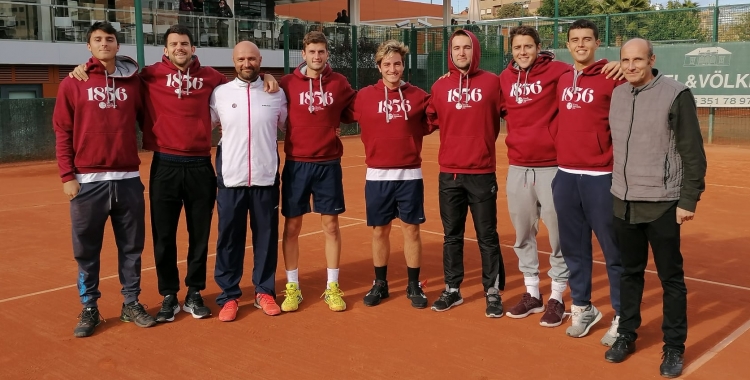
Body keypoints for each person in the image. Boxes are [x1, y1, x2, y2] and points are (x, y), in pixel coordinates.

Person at [68, 25, 279, 323]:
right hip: (164, 164)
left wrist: (266, 76)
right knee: (163, 235)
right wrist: (84, 69)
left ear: (193, 49)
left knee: (200, 234)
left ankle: (194, 291)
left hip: (199, 165)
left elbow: (244, 80)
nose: (180, 48)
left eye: (185, 43)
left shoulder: (211, 79)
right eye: (174, 44)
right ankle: (169, 294)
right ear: (165, 50)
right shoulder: (148, 75)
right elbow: (114, 71)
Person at [604, 38, 706, 379]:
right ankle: (626, 336)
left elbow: (693, 153)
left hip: (663, 204)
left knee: (671, 279)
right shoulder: (618, 94)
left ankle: (674, 347)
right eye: (626, 60)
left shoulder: (676, 94)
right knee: (628, 273)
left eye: (638, 60)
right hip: (623, 201)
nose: (631, 66)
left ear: (652, 60)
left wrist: (688, 199)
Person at [53, 22, 157, 338]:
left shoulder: (134, 83)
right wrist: (67, 176)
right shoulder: (73, 83)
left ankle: (130, 303)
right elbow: (62, 131)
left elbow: (151, 114)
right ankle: (90, 309)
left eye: (109, 39)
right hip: (87, 183)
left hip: (127, 179)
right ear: (89, 47)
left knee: (132, 248)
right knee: (86, 251)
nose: (104, 44)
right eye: (97, 39)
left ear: (117, 45)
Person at [553, 19, 625, 345]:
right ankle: (582, 307)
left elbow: (643, 75)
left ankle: (623, 315)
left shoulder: (612, 77)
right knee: (574, 249)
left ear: (597, 43)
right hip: (566, 175)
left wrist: (621, 65)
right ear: (567, 45)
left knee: (613, 250)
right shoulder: (562, 78)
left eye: (587, 39)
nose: (580, 44)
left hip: (601, 176)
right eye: (574, 40)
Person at [425, 29, 505, 317]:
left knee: (487, 235)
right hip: (450, 173)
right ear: (450, 52)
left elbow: (519, 111)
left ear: (475, 50)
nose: (461, 52)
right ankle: (452, 289)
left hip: (482, 172)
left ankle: (492, 292)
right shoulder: (440, 86)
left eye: (466, 47)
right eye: (456, 48)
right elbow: (424, 119)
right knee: (452, 236)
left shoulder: (493, 83)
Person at [345, 40, 430, 308]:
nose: (392, 69)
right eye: (387, 64)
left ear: (403, 65)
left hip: (410, 176)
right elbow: (333, 109)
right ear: (378, 66)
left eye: (397, 64)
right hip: (377, 177)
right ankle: (380, 284)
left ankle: (413, 285)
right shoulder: (363, 97)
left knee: (411, 230)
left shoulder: (418, 96)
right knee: (379, 231)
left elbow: (439, 117)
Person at [498, 25, 571, 327]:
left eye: (528, 46)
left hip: (552, 167)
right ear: (512, 50)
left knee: (557, 235)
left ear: (539, 47)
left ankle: (556, 296)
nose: (523, 52)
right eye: (517, 47)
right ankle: (532, 293)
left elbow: (588, 71)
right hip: (518, 166)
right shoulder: (504, 79)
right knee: (523, 234)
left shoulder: (560, 71)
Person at [210, 41, 288, 321]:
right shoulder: (219, 94)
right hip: (231, 179)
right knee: (229, 239)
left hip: (266, 178)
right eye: (241, 59)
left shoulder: (276, 94)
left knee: (266, 238)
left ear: (260, 60)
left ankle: (264, 291)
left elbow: (290, 126)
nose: (247, 63)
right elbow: (205, 125)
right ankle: (229, 295)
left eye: (252, 59)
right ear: (234, 61)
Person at [278, 31, 356, 312]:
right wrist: (265, 77)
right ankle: (292, 288)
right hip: (297, 164)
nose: (317, 56)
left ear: (327, 54)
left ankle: (332, 287)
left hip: (328, 163)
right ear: (304, 54)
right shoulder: (287, 83)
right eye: (312, 51)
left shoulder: (339, 83)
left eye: (321, 51)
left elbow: (358, 106)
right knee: (292, 226)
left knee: (331, 226)